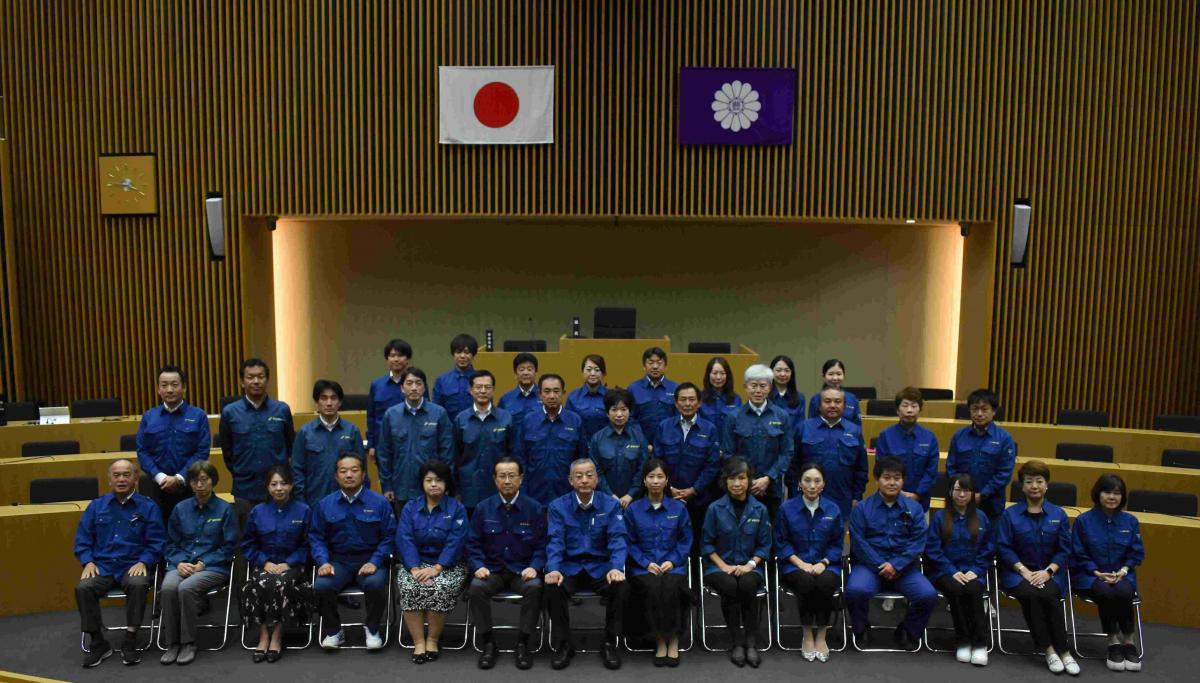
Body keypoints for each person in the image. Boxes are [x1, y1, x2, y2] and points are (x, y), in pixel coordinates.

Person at [74, 458, 166, 667]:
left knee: (138, 584)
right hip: (103, 566)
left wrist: (145, 561)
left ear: (135, 479)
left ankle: (130, 640)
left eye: (126, 475)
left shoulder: (148, 507)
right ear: (109, 480)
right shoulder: (97, 506)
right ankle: (98, 643)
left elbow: (158, 541)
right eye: (116, 475)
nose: (121, 479)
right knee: (83, 588)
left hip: (133, 565)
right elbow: (82, 540)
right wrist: (87, 561)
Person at [544, 458, 629, 670]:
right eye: (579, 476)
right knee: (551, 587)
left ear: (597, 479)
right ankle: (563, 644)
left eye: (589, 475)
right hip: (569, 567)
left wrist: (616, 568)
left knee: (621, 587)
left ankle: (609, 642)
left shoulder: (610, 505)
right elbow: (555, 541)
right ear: (570, 481)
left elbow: (618, 539)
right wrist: (553, 569)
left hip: (600, 567)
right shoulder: (558, 506)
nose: (584, 480)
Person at [996, 460, 1079, 675]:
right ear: (1022, 487)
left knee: (1050, 595)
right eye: (1029, 481)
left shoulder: (1058, 514)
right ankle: (1050, 650)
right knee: (1031, 595)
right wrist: (1024, 571)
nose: (1034, 486)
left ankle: (1065, 651)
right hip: (1017, 574)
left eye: (1039, 481)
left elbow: (1064, 549)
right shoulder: (1010, 514)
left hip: (1050, 573)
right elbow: (1003, 548)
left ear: (1047, 485)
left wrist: (1048, 572)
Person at [846, 456, 937, 651]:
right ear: (877, 479)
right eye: (887, 477)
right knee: (855, 591)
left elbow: (918, 541)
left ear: (903, 480)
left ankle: (908, 630)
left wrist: (896, 564)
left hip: (904, 568)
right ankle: (862, 629)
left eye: (897, 478)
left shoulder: (914, 508)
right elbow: (859, 544)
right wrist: (881, 565)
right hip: (870, 566)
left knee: (927, 595)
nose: (892, 482)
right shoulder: (861, 508)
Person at [310, 453, 396, 651]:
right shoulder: (325, 504)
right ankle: (334, 631)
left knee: (375, 584)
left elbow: (389, 537)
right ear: (336, 476)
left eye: (354, 470)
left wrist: (375, 561)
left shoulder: (379, 503)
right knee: (322, 586)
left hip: (370, 560)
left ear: (364, 474)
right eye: (343, 471)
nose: (349, 475)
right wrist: (323, 561)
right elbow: (316, 538)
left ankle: (372, 628)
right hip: (338, 562)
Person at [467, 457, 546, 670]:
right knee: (476, 588)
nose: (507, 480)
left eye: (512, 475)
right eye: (502, 476)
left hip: (522, 571)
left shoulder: (535, 508)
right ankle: (488, 643)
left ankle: (523, 643)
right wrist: (478, 565)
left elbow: (542, 545)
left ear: (521, 478)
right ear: (495, 480)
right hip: (491, 570)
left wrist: (535, 567)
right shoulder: (483, 508)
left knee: (535, 587)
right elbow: (472, 544)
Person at [158, 461, 238, 666]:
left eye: (204, 480)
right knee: (167, 587)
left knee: (186, 588)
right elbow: (170, 544)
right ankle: (172, 643)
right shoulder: (180, 508)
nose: (199, 485)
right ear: (190, 484)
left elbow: (229, 547)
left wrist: (204, 563)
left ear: (213, 482)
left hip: (214, 566)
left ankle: (188, 642)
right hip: (182, 563)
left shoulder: (225, 509)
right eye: (195, 480)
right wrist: (179, 562)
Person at [396, 461, 470, 664]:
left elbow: (456, 541)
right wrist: (414, 568)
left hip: (448, 565)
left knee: (440, 587)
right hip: (416, 564)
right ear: (422, 483)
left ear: (447, 484)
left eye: (439, 480)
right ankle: (418, 642)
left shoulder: (457, 509)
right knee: (409, 585)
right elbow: (405, 539)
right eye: (428, 480)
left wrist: (437, 568)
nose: (433, 484)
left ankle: (433, 639)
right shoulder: (410, 507)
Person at [239, 464, 313, 663]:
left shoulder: (303, 510)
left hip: (293, 568)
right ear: (267, 487)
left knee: (280, 584)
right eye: (274, 484)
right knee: (257, 583)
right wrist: (264, 562)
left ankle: (277, 635)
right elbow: (247, 544)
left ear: (291, 486)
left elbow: (309, 544)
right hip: (265, 565)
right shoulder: (258, 511)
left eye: (283, 483)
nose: (279, 488)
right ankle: (264, 634)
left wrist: (289, 563)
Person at [702, 457, 772, 668]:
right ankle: (736, 642)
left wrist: (750, 564)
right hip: (718, 566)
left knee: (748, 584)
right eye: (732, 478)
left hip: (750, 565)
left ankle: (750, 642)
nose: (737, 483)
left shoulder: (760, 509)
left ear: (749, 480)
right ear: (725, 481)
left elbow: (765, 545)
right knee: (730, 585)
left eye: (742, 478)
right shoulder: (714, 508)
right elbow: (706, 544)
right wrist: (723, 566)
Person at [1071, 473, 1144, 672]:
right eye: (1107, 492)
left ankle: (1128, 641)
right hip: (1090, 575)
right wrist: (1096, 572)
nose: (1112, 497)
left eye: (1117, 493)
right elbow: (1077, 553)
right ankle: (1113, 641)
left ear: (1123, 496)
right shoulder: (1083, 521)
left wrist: (1123, 569)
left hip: (1122, 574)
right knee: (1106, 591)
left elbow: (1136, 552)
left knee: (1124, 591)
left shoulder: (1130, 521)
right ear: (1098, 494)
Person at [625, 458, 693, 667]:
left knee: (672, 586)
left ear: (667, 481)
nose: (655, 481)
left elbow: (685, 540)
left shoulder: (678, 508)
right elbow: (629, 542)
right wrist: (645, 563)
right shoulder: (633, 509)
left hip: (673, 565)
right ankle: (660, 640)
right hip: (643, 567)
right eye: (651, 477)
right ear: (644, 481)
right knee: (653, 587)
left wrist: (672, 561)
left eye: (660, 477)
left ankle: (673, 640)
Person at [775, 462, 843, 663]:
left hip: (827, 564)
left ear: (823, 484)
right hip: (794, 565)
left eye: (817, 481)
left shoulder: (833, 509)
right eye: (807, 480)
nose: (812, 485)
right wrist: (801, 564)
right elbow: (781, 542)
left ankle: (821, 635)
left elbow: (838, 544)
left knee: (825, 582)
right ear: (799, 483)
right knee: (805, 582)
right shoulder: (787, 509)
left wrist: (824, 562)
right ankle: (807, 634)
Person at [219, 358, 295, 531]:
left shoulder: (281, 409)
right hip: (245, 488)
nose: (256, 381)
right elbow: (228, 452)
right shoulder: (230, 412)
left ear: (267, 380)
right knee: (248, 539)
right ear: (242, 381)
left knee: (279, 535)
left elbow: (291, 446)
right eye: (250, 377)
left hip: (278, 489)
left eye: (260, 377)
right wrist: (242, 471)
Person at [925, 473, 993, 666]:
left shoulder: (981, 517)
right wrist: (951, 570)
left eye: (966, 490)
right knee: (956, 588)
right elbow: (933, 549)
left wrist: (976, 570)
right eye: (957, 489)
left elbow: (988, 549)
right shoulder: (939, 517)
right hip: (944, 571)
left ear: (972, 494)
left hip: (973, 571)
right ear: (950, 492)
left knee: (973, 589)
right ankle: (963, 640)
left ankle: (979, 644)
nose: (962, 494)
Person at [135, 365, 211, 526]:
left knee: (189, 532)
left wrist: (179, 477)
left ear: (184, 388)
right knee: (158, 534)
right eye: (164, 385)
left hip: (189, 487)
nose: (169, 390)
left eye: (174, 384)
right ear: (158, 389)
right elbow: (142, 451)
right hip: (156, 488)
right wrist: (160, 477)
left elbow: (202, 451)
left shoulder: (198, 416)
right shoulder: (149, 417)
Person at [721, 364, 794, 521]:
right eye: (753, 385)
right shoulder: (733, 417)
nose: (758, 391)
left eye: (763, 386)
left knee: (772, 534)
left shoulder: (782, 417)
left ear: (770, 388)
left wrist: (768, 478)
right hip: (740, 489)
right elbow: (728, 453)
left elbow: (787, 452)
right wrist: (747, 481)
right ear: (745, 388)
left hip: (772, 488)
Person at [375, 367, 454, 512]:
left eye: (418, 383)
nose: (414, 388)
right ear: (402, 388)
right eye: (409, 383)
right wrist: (387, 486)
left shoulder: (439, 413)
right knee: (403, 530)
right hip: (401, 488)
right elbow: (384, 453)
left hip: (433, 487)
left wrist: (446, 484)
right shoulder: (391, 415)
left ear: (424, 388)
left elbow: (447, 453)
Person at [653, 382, 721, 545]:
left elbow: (712, 465)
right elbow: (657, 461)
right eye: (683, 400)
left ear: (699, 403)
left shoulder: (709, 429)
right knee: (669, 541)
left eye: (691, 399)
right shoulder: (664, 427)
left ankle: (696, 571)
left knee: (698, 542)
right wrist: (669, 489)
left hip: (699, 499)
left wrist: (694, 490)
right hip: (668, 498)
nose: (687, 404)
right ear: (676, 404)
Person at [790, 385, 867, 518]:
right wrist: (795, 494)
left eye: (837, 401)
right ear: (819, 405)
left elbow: (861, 468)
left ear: (844, 405)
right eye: (827, 401)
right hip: (806, 498)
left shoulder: (854, 431)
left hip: (843, 500)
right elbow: (792, 465)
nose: (832, 405)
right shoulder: (803, 428)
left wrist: (857, 496)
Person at [946, 388, 1017, 521]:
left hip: (991, 504)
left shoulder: (1005, 438)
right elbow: (951, 466)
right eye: (975, 409)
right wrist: (962, 492)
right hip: (960, 501)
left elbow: (1004, 474)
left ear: (994, 411)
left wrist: (982, 494)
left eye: (984, 409)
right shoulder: (959, 436)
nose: (979, 414)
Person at [292, 379, 366, 506]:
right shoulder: (305, 432)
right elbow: (297, 469)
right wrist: (301, 502)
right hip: (314, 500)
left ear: (340, 402)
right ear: (316, 402)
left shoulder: (351, 430)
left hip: (348, 501)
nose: (329, 403)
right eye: (324, 398)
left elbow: (362, 468)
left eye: (333, 398)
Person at [516, 374, 587, 504]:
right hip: (534, 494)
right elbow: (521, 458)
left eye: (556, 391)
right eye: (547, 391)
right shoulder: (528, 421)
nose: (552, 396)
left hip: (567, 494)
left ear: (563, 393)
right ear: (539, 394)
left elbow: (582, 459)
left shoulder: (575, 421)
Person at [453, 370, 517, 515]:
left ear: (493, 390)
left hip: (499, 488)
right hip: (469, 490)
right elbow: (455, 457)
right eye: (478, 387)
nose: (483, 391)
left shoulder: (506, 418)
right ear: (470, 390)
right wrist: (456, 490)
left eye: (487, 387)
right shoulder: (461, 420)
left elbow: (514, 453)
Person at [875, 387, 940, 509]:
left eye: (914, 406)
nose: (909, 410)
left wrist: (917, 494)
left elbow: (931, 472)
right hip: (890, 501)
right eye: (905, 406)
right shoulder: (885, 436)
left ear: (920, 409)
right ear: (897, 410)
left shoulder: (929, 437)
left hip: (920, 502)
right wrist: (898, 493)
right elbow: (881, 469)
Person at [589, 388, 649, 507]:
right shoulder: (597, 438)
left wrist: (630, 495)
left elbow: (643, 469)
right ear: (607, 412)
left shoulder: (639, 438)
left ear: (629, 411)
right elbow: (595, 471)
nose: (619, 414)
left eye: (623, 409)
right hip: (604, 500)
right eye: (614, 410)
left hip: (634, 501)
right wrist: (610, 495)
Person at [366, 339, 421, 467]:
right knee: (386, 482)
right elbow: (372, 417)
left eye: (400, 355)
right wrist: (371, 444)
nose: (396, 359)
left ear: (408, 359)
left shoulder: (417, 384)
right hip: (383, 444)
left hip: (412, 443)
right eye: (392, 356)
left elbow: (425, 412)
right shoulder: (377, 385)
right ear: (387, 359)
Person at [628, 346, 678, 440]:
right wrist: (642, 441)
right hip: (640, 444)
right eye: (650, 363)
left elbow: (679, 418)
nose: (655, 366)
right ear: (644, 366)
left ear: (665, 366)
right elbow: (630, 419)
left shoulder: (675, 388)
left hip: (668, 443)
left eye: (659, 363)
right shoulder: (633, 388)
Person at [433, 333, 478, 419]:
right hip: (449, 430)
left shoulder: (481, 379)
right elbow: (436, 411)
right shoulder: (442, 380)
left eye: (467, 352)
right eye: (458, 352)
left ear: (473, 355)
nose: (462, 356)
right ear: (453, 354)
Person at [566, 354, 609, 442]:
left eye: (597, 370)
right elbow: (568, 425)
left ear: (603, 373)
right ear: (582, 372)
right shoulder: (573, 397)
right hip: (580, 446)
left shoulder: (611, 396)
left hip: (606, 447)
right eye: (588, 370)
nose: (592, 373)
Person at [806, 359, 861, 424]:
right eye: (831, 374)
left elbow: (857, 425)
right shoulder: (816, 399)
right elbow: (810, 426)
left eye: (839, 374)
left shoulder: (852, 398)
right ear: (823, 376)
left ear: (844, 375)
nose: (835, 378)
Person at [699, 356, 741, 436]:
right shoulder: (699, 398)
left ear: (728, 376)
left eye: (722, 373)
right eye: (714, 373)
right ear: (708, 375)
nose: (718, 377)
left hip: (728, 446)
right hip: (706, 445)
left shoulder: (736, 399)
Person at [498, 352, 541, 419]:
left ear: (536, 373)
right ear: (515, 374)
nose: (526, 373)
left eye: (530, 369)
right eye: (521, 369)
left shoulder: (545, 397)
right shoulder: (506, 399)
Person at [768, 355, 806, 424]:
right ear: (771, 372)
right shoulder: (764, 396)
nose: (783, 374)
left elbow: (800, 425)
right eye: (778, 370)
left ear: (792, 373)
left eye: (787, 370)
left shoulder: (800, 397)